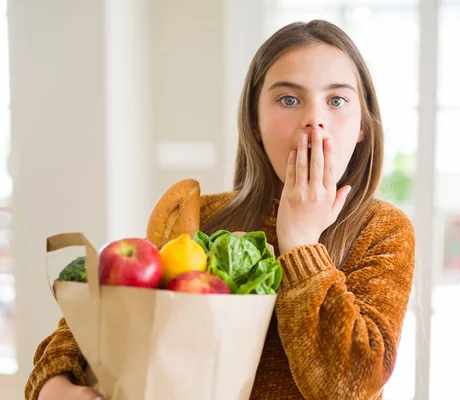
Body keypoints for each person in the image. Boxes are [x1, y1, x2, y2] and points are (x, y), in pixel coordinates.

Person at [26, 19, 415, 400]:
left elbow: (348, 387)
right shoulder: (201, 217)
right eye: (289, 99)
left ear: (363, 125)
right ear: (255, 122)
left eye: (337, 100)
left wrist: (300, 242)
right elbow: (95, 324)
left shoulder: (383, 231)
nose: (314, 120)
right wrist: (53, 384)